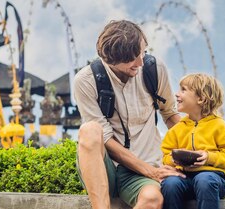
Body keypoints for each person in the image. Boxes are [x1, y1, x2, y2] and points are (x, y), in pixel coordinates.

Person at [74, 20, 183, 209]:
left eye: (142, 52)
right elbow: (106, 139)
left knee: (152, 199)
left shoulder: (153, 69)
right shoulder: (86, 81)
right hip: (105, 168)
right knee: (90, 130)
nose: (140, 62)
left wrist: (194, 146)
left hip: (140, 173)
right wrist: (150, 171)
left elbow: (170, 113)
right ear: (110, 60)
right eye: (132, 58)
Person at [160, 73, 225, 209]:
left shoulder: (220, 126)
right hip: (184, 178)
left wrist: (209, 157)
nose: (177, 94)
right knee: (170, 184)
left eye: (183, 90)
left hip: (212, 179)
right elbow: (165, 155)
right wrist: (173, 160)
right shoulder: (177, 129)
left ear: (200, 99)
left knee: (203, 180)